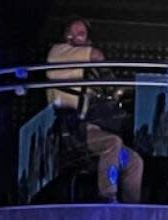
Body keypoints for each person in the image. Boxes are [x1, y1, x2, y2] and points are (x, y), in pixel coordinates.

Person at [46, 16, 144, 204]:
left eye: (80, 34)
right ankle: (108, 197)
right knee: (112, 143)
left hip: (95, 134)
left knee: (134, 161)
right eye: (70, 33)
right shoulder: (58, 53)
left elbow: (113, 90)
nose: (73, 37)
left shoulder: (87, 69)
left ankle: (133, 209)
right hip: (74, 135)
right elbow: (97, 55)